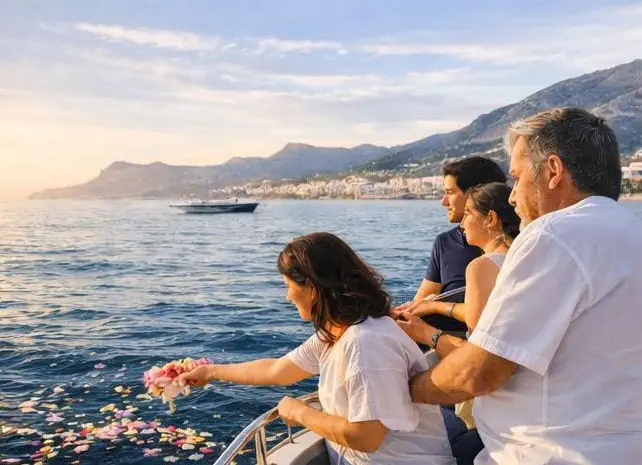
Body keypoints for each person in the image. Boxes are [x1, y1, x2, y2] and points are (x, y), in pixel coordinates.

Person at [410, 107, 642, 464]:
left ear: (553, 171)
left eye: (517, 178)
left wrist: (409, 388)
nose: (513, 196)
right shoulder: (630, 233)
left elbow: (479, 373)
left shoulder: (554, 234)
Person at [178, 232, 455, 465]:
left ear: (312, 287)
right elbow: (277, 370)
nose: (287, 296)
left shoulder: (366, 342)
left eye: (288, 285)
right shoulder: (338, 332)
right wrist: (210, 372)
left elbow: (366, 437)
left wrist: (300, 413)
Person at [395, 182, 520, 465]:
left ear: (491, 219)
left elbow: (476, 353)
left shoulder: (481, 266)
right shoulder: (520, 258)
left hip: (494, 410)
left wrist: (425, 332)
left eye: (468, 215)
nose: (461, 223)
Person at [395, 157, 507, 333]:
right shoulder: (444, 242)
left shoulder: (518, 245)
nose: (443, 201)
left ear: (478, 194)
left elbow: (479, 316)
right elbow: (420, 304)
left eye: (450, 192)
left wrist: (437, 307)